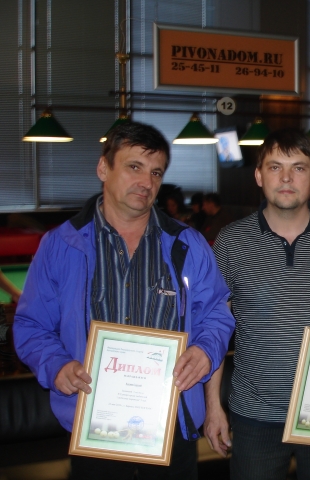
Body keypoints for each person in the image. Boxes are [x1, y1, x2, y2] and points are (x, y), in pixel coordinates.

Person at [13, 122, 236, 480]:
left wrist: (205, 350)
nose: (146, 182)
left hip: (171, 426)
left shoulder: (188, 244)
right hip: (93, 426)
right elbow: (31, 325)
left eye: (156, 172)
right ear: (104, 168)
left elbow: (216, 314)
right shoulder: (61, 245)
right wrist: (56, 365)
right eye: (135, 167)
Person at [204, 128, 310, 480]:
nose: (286, 178)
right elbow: (214, 328)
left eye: (298, 168)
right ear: (258, 175)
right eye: (275, 167)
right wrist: (213, 406)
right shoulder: (231, 242)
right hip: (254, 414)